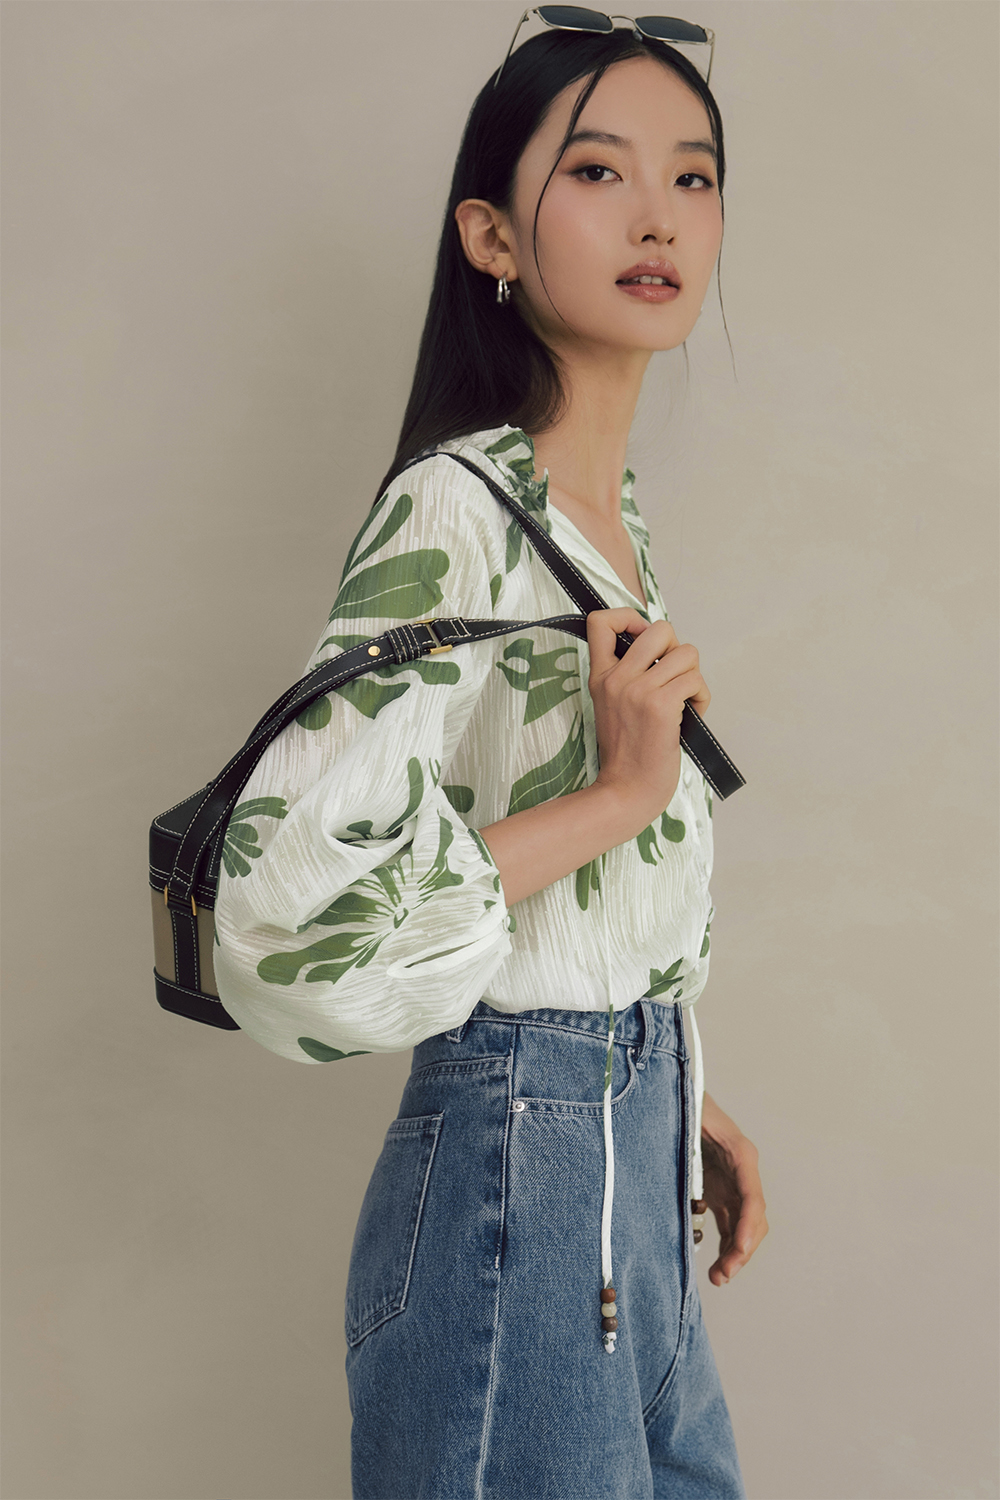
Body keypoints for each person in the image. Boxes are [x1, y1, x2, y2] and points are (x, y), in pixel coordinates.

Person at [213, 12, 768, 1497]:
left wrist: (668, 1087)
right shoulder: (454, 510)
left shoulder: (597, 514)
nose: (658, 216)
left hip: (620, 1173)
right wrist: (623, 795)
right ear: (492, 237)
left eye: (694, 176)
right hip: (520, 1194)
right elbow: (287, 924)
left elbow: (565, 911)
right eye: (597, 171)